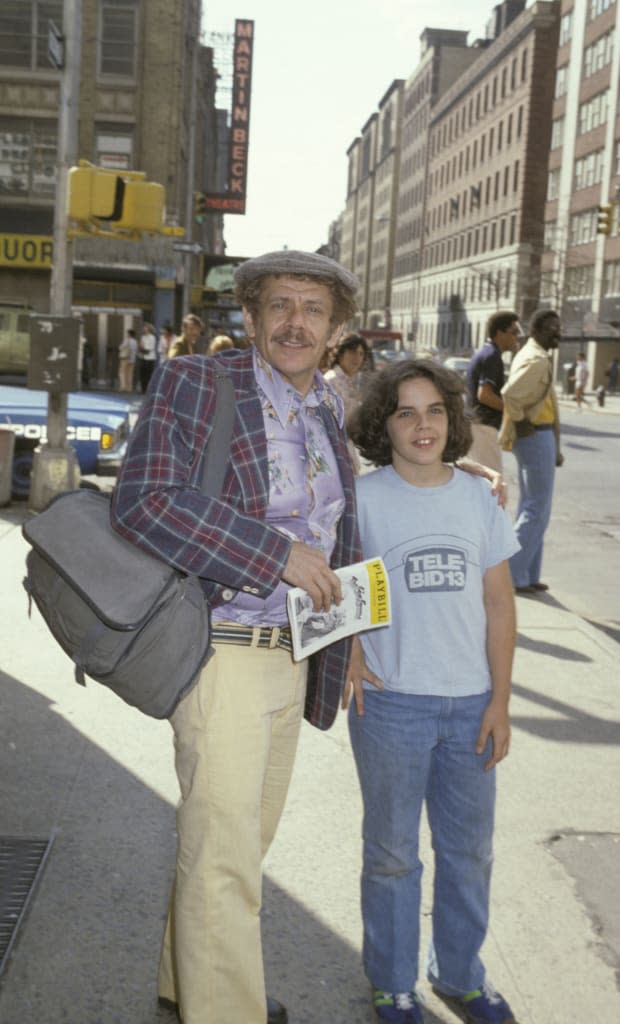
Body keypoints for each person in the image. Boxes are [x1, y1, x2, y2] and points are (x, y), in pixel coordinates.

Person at [110, 249, 362, 1024]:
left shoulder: (327, 407)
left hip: (294, 657)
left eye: (312, 311)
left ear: (334, 330)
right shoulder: (198, 381)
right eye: (279, 306)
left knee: (235, 849)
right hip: (220, 653)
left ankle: (187, 982)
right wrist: (271, 553)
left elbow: (337, 531)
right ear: (249, 318)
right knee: (225, 864)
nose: (295, 322)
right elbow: (144, 501)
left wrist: (346, 643)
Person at [345, 359, 519, 1024]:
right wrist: (354, 653)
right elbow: (344, 583)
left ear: (453, 419)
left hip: (471, 703)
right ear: (382, 425)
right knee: (391, 854)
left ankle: (460, 973)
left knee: (468, 850)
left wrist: (500, 701)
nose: (423, 425)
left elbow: (500, 605)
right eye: (405, 412)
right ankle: (392, 981)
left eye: (435, 411)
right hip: (392, 706)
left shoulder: (479, 498)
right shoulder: (364, 499)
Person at [499, 308, 564, 595]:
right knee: (537, 509)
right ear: (537, 330)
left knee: (535, 507)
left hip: (542, 435)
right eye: (551, 327)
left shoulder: (535, 354)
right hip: (535, 435)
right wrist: (522, 421)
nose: (557, 332)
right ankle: (510, 575)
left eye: (558, 327)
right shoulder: (536, 360)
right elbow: (510, 394)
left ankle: (526, 575)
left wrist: (557, 445)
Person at [466, 311, 521, 473]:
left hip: (477, 426)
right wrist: (512, 410)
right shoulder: (492, 356)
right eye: (514, 332)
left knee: (479, 483)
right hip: (483, 427)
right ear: (500, 333)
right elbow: (484, 395)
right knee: (492, 483)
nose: (516, 337)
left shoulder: (487, 353)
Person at [324, 333, 372, 473]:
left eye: (361, 353)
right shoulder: (330, 382)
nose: (357, 358)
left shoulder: (353, 383)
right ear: (340, 354)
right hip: (332, 452)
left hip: (346, 449)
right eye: (352, 352)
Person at [138, 322, 157, 392]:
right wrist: (142, 347)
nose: (144, 329)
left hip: (150, 358)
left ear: (148, 329)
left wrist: (143, 347)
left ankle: (148, 390)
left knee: (148, 375)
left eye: (145, 328)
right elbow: (140, 347)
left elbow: (150, 348)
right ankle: (143, 389)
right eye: (143, 328)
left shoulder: (152, 337)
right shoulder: (143, 337)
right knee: (142, 374)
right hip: (143, 357)